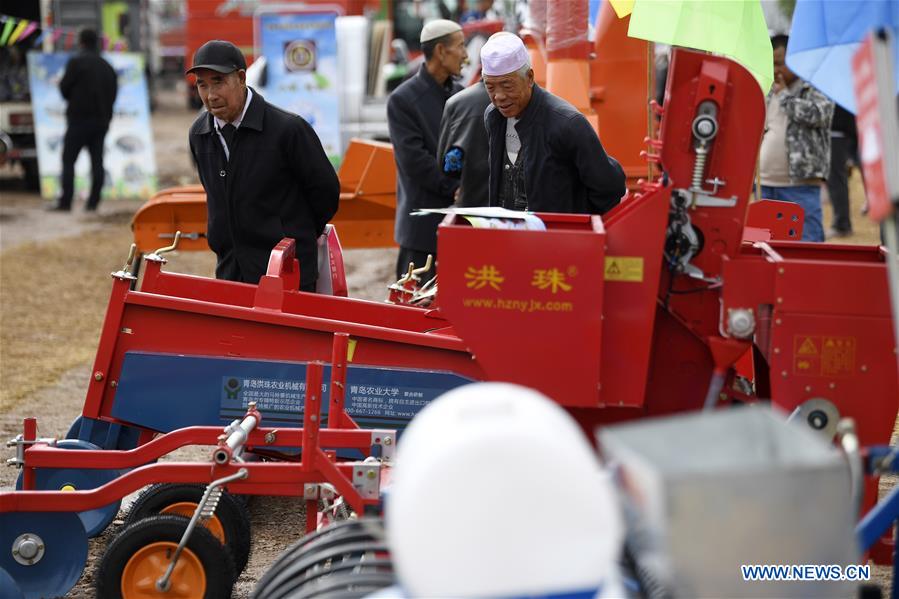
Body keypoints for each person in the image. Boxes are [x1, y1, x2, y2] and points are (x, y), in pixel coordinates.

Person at [187, 40, 339, 291]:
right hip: (230, 271)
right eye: (202, 84)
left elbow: (325, 194)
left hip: (287, 273)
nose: (211, 95)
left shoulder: (287, 130)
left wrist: (292, 234)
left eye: (218, 81)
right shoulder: (199, 134)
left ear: (241, 78)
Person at [480, 34, 625, 214]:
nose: (499, 96)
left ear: (530, 78)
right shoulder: (493, 116)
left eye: (507, 85)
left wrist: (575, 223)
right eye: (490, 87)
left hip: (555, 236)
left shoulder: (567, 123)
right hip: (506, 232)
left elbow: (608, 186)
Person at [387, 19, 467, 282]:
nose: (466, 55)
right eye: (461, 47)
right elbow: (414, 160)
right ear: (441, 51)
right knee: (415, 309)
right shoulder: (403, 99)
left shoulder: (461, 94)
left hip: (461, 221)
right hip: (422, 228)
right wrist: (454, 187)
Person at [759, 35, 834, 242]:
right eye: (772, 63)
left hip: (800, 185)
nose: (776, 70)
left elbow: (819, 114)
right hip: (766, 184)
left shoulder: (813, 86)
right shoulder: (768, 89)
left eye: (780, 63)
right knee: (767, 246)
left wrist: (784, 96)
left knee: (807, 244)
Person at [52, 28, 118, 212]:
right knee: (97, 161)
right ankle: (93, 203)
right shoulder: (107, 66)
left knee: (68, 160)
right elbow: (113, 94)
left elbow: (64, 89)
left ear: (81, 42)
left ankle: (66, 202)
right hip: (101, 122)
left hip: (78, 120)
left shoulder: (76, 62)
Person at [436, 78, 491, 207]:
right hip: (515, 211)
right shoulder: (523, 100)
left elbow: (444, 166)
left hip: (470, 204)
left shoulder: (456, 102)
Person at [825, 105, 858, 238]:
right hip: (841, 134)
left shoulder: (837, 91)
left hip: (837, 135)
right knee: (836, 180)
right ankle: (841, 223)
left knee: (836, 180)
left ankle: (842, 224)